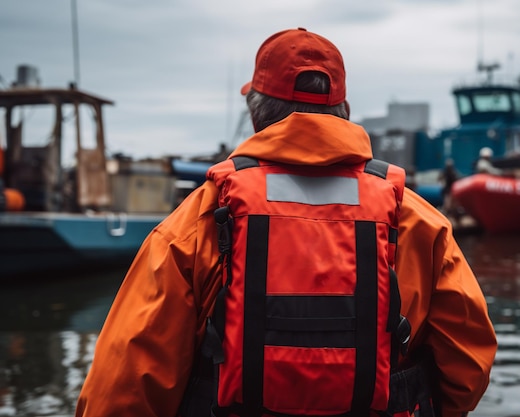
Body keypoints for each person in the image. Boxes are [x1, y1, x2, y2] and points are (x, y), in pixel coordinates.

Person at [75, 28, 497, 417]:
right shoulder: (419, 222)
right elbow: (469, 368)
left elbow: (122, 391)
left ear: (257, 115)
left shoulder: (196, 224)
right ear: (344, 112)